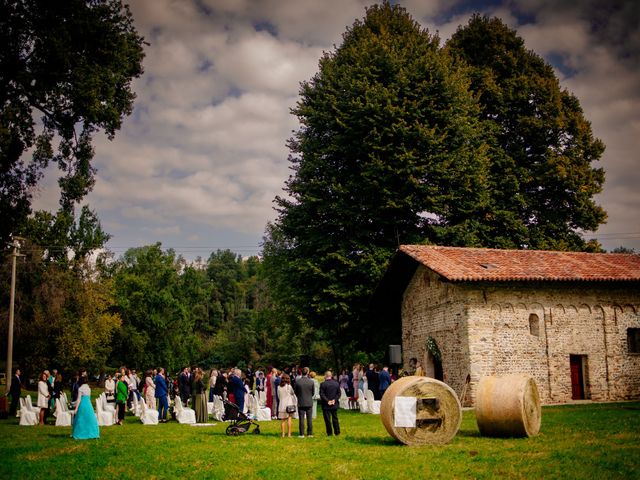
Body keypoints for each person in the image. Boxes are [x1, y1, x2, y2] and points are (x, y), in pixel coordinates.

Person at [294, 367, 315, 437]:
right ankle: (310, 433)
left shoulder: (298, 382)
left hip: (301, 402)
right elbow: (313, 393)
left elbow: (295, 392)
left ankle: (302, 433)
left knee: (301, 419)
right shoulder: (311, 382)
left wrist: (300, 396)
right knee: (309, 419)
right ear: (308, 372)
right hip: (309, 402)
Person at [319, 371, 341, 436]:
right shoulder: (336, 383)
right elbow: (339, 393)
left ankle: (329, 433)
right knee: (335, 418)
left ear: (325, 375)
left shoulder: (323, 384)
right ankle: (337, 432)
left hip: (326, 404)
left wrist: (327, 401)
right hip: (334, 403)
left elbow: (321, 394)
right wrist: (334, 400)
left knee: (327, 419)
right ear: (331, 376)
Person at [277, 373, 296, 437]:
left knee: (282, 421)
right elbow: (293, 393)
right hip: (289, 405)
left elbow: (279, 396)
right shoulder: (289, 386)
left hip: (282, 405)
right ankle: (289, 434)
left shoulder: (278, 387)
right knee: (289, 419)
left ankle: (282, 434)